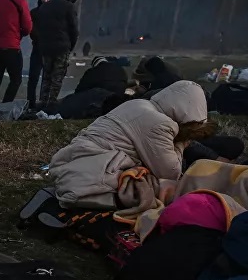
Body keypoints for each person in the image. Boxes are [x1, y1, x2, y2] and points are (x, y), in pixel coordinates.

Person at [50, 80, 213, 210]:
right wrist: (182, 142)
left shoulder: (138, 104)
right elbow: (170, 172)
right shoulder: (160, 123)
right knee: (165, 187)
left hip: (73, 165)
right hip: (90, 180)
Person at [32, 0, 80, 112]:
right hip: (62, 47)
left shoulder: (45, 7)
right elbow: (74, 30)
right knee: (57, 77)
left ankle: (42, 102)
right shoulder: (68, 7)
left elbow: (39, 28)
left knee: (46, 76)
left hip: (46, 48)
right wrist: (70, 46)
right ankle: (51, 104)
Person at [0, 0, 32, 105]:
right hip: (11, 47)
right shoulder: (21, 2)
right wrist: (20, 34)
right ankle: (5, 104)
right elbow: (27, 27)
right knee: (16, 79)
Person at [28, 0, 52, 104]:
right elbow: (31, 30)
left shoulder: (55, 13)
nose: (45, 0)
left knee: (48, 79)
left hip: (51, 50)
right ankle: (31, 103)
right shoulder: (34, 13)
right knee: (33, 78)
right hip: (37, 49)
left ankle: (44, 102)